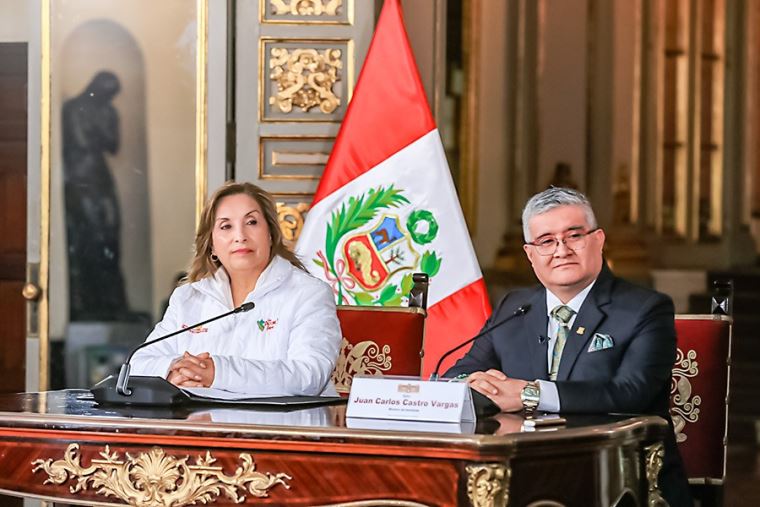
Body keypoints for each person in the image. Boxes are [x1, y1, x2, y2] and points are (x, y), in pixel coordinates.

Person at [446, 187, 692, 506]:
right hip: (523, 479)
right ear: (530, 254)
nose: (561, 250)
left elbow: (632, 392)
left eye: (574, 236)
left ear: (598, 240)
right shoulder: (514, 306)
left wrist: (529, 394)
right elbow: (460, 372)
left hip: (620, 481)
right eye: (546, 241)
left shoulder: (645, 308)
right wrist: (474, 384)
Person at [130, 182, 341, 396]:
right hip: (199, 417)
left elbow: (308, 375)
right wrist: (173, 374)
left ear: (270, 233)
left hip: (284, 418)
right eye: (226, 226)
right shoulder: (188, 297)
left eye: (251, 222)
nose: (240, 236)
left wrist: (218, 373)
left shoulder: (309, 294)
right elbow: (138, 362)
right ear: (211, 244)